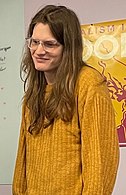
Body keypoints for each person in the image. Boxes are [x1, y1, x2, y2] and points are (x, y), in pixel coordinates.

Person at [12, 4, 119, 195]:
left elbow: (100, 164)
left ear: (68, 47)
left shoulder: (89, 84)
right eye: (34, 42)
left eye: (50, 44)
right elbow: (23, 162)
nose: (38, 50)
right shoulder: (35, 91)